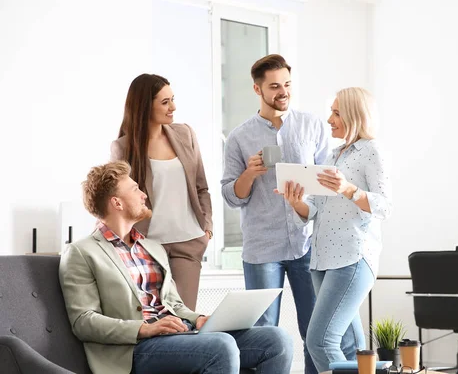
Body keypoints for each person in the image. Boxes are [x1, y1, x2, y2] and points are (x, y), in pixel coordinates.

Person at [59, 161, 293, 374]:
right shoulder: (82, 252)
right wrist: (144, 329)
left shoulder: (151, 248)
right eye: (135, 189)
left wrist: (199, 319)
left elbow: (175, 305)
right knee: (221, 346)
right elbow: (84, 321)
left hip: (177, 336)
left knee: (276, 340)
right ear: (116, 203)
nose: (143, 195)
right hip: (134, 349)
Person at [220, 54, 329, 374]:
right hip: (262, 247)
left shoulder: (312, 126)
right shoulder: (239, 137)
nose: (283, 92)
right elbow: (230, 196)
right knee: (264, 333)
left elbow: (326, 183)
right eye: (274, 86)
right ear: (258, 89)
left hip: (307, 242)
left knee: (316, 331)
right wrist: (250, 174)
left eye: (287, 85)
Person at [278, 87, 392, 373]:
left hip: (352, 258)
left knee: (320, 340)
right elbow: (314, 207)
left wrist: (349, 189)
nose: (329, 119)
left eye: (336, 112)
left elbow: (385, 207)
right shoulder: (333, 154)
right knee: (352, 346)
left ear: (354, 115)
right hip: (322, 260)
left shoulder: (371, 151)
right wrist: (296, 203)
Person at [111, 73, 212, 310]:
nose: (173, 107)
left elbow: (202, 187)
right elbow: (117, 201)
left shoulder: (185, 134)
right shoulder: (123, 147)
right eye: (165, 102)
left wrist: (206, 228)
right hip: (147, 245)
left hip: (189, 242)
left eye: (172, 99)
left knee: (185, 319)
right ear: (145, 106)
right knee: (155, 317)